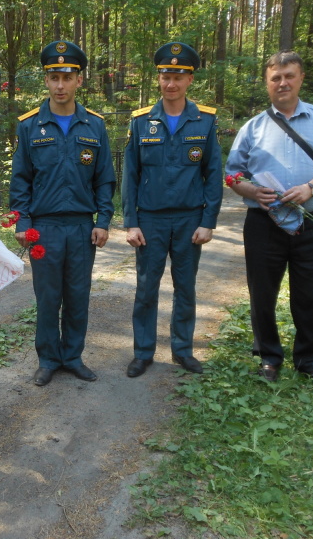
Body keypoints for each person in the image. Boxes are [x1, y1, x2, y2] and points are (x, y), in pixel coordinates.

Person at [225, 50, 313, 385]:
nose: (282, 83)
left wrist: (311, 187)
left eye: (289, 76)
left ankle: (310, 361)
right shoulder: (252, 127)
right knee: (262, 293)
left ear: (300, 78)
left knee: (311, 293)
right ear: (266, 83)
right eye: (275, 78)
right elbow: (232, 175)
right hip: (264, 224)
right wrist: (252, 191)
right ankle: (268, 357)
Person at [9, 40, 116, 387]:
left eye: (66, 77)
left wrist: (103, 221)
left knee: (78, 295)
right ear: (46, 80)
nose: (59, 85)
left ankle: (72, 356)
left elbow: (105, 179)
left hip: (82, 228)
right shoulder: (29, 126)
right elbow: (21, 179)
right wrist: (22, 222)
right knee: (48, 297)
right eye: (53, 77)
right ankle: (48, 359)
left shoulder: (94, 126)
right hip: (45, 227)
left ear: (79, 81)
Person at [121, 41, 222, 378]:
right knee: (146, 288)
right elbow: (131, 176)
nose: (171, 83)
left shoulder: (204, 121)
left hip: (189, 219)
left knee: (186, 288)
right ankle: (143, 352)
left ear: (190, 79)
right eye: (166, 75)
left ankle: (182, 350)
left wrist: (208, 221)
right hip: (150, 220)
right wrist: (130, 222)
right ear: (159, 78)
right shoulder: (141, 121)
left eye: (179, 76)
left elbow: (213, 175)